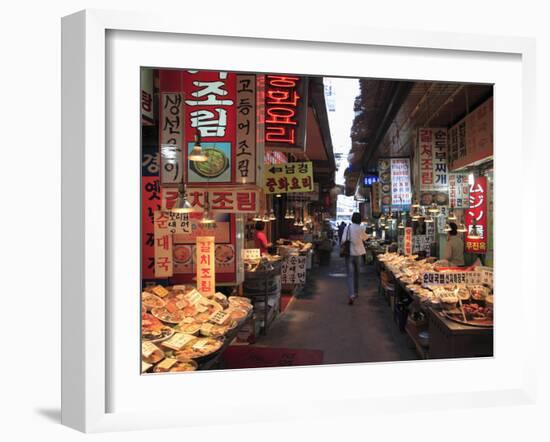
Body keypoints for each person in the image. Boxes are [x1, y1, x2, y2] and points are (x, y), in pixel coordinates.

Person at [342, 212, 369, 305]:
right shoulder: (361, 228)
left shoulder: (348, 227)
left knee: (350, 275)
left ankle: (351, 294)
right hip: (358, 254)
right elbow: (365, 238)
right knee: (357, 273)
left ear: (352, 219)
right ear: (360, 220)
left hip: (349, 253)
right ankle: (356, 292)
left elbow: (343, 240)